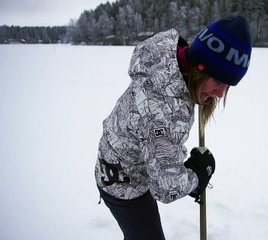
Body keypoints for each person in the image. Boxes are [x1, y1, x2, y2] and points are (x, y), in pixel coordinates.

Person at [95, 15, 252, 240]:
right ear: (200, 67)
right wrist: (197, 175)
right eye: (218, 82)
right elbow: (166, 187)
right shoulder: (160, 112)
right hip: (122, 182)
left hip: (133, 161)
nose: (220, 94)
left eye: (228, 85)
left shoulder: (174, 60)